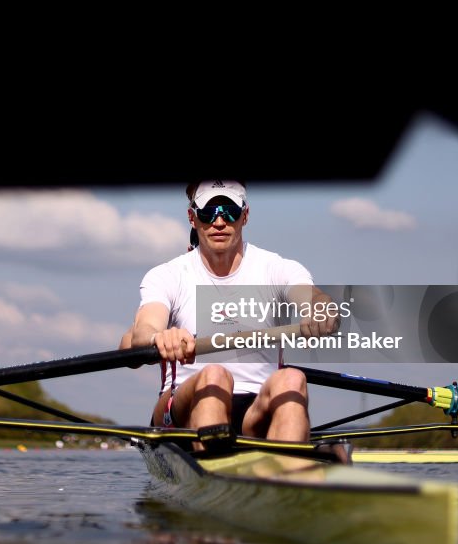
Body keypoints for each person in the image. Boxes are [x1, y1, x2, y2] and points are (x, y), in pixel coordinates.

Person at [128, 180, 338, 443]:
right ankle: (217, 472)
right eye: (208, 212)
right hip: (185, 403)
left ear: (245, 216)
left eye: (229, 211)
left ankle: (289, 472)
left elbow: (312, 297)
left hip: (257, 408)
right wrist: (157, 338)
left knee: (293, 379)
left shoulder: (276, 268)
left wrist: (321, 309)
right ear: (192, 217)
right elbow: (144, 330)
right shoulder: (167, 275)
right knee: (214, 376)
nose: (219, 221)